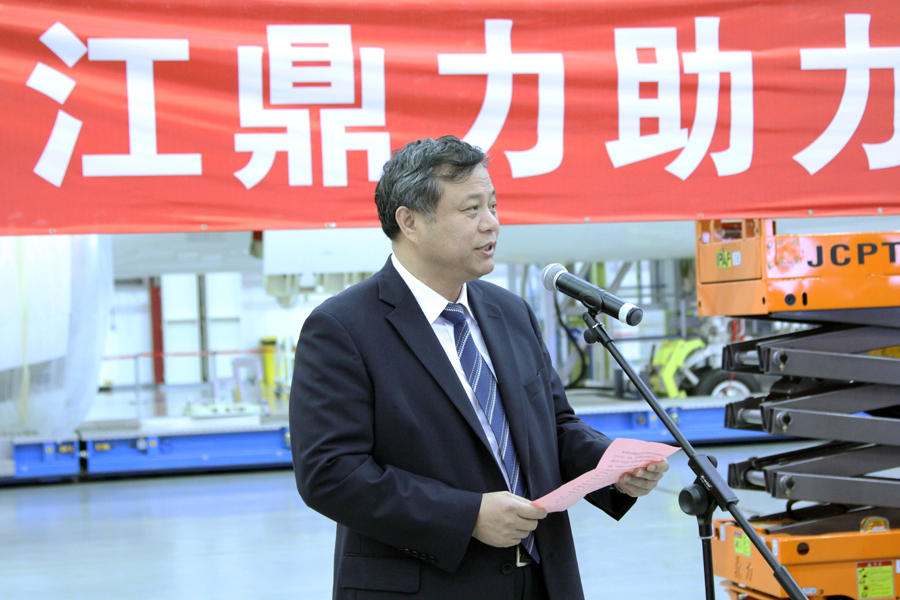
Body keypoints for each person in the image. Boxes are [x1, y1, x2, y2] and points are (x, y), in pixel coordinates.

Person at [289, 135, 669, 600]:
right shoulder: (343, 328)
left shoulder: (510, 312)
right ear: (410, 222)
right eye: (471, 209)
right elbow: (331, 473)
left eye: (493, 205)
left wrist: (611, 466)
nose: (492, 223)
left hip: (542, 580)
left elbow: (553, 427)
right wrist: (467, 516)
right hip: (430, 587)